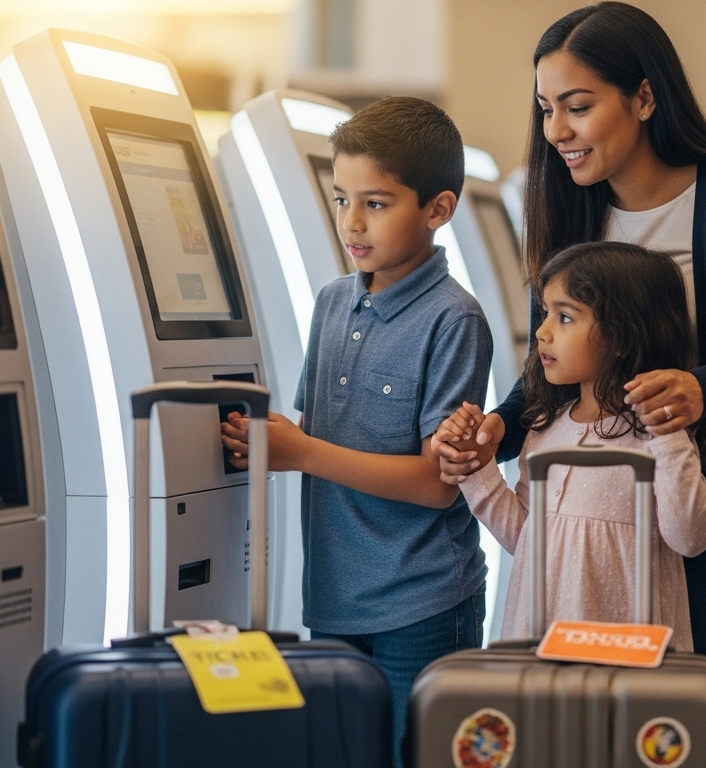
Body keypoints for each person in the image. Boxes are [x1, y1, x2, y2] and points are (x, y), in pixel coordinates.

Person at [433, 2, 706, 670]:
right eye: (546, 109)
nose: (557, 131)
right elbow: (550, 367)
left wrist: (702, 390)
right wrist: (500, 426)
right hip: (604, 525)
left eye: (578, 106)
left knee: (704, 696)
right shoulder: (566, 210)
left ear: (645, 97)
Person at [220, 96, 491, 763]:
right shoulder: (332, 303)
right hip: (334, 599)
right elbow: (316, 433)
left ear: (438, 209)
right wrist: (269, 442)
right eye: (341, 199)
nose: (352, 221)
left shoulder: (454, 320)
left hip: (422, 603)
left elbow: (435, 484)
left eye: (376, 202)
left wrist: (301, 452)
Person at [440, 242, 706, 648]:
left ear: (622, 335)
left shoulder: (658, 438)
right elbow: (526, 541)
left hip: (630, 660)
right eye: (545, 313)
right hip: (541, 648)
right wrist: (477, 468)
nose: (542, 332)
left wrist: (668, 434)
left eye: (565, 317)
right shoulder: (545, 429)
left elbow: (691, 538)